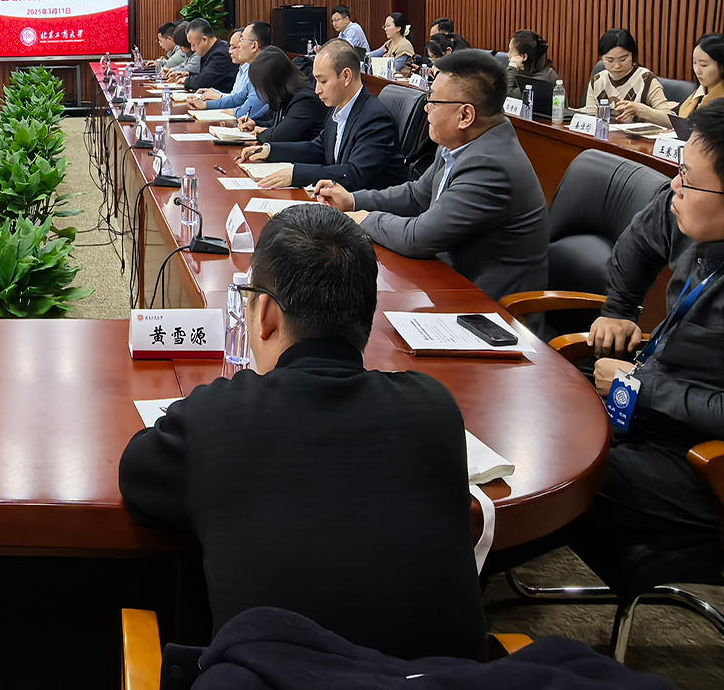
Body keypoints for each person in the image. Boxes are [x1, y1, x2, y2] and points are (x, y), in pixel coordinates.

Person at [119, 206, 486, 660]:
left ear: (266, 315)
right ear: (366, 316)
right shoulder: (434, 408)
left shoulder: (216, 415)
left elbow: (136, 476)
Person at [564, 94, 724, 593]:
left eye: (688, 179)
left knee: (553, 469)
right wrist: (620, 308)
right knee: (532, 411)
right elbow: (639, 241)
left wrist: (640, 386)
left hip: (709, 465)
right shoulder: (694, 210)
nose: (674, 185)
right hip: (658, 415)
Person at [316, 50, 548, 301]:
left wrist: (364, 218)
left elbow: (418, 237)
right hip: (449, 281)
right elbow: (417, 195)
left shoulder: (491, 166)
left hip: (489, 306)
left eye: (433, 100)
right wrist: (353, 200)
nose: (426, 108)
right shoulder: (459, 143)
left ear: (465, 115)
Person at [240, 41, 407, 191]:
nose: (317, 90)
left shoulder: (375, 118)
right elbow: (317, 149)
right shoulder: (338, 109)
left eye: (323, 81)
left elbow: (354, 173)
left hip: (368, 209)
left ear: (346, 76)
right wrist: (269, 150)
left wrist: (296, 174)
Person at [577, 29, 675, 122]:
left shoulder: (646, 79)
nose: (617, 66)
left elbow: (669, 120)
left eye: (623, 59)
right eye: (610, 60)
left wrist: (640, 110)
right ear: (601, 59)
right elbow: (590, 115)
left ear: (632, 55)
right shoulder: (597, 80)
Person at [235, 48, 326, 144]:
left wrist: (260, 133)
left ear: (273, 84)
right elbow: (278, 124)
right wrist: (255, 124)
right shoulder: (288, 95)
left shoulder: (305, 101)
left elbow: (279, 136)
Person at [186, 23, 270, 123]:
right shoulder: (253, 68)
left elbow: (247, 111)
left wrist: (233, 111)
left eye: (242, 40)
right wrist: (205, 105)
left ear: (254, 46)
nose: (239, 45)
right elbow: (237, 99)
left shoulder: (266, 70)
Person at [676, 33, 724, 119]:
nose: (697, 70)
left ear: (722, 67)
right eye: (694, 63)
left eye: (704, 65)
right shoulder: (698, 94)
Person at [182, 19, 238, 93]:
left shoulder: (221, 55)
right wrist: (189, 74)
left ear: (204, 40)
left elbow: (203, 81)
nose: (192, 49)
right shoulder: (214, 50)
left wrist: (186, 80)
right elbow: (207, 74)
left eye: (193, 44)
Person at [503, 30, 560, 99]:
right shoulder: (524, 70)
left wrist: (512, 67)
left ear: (524, 57)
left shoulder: (541, 79)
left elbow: (507, 96)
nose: (508, 55)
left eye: (511, 51)